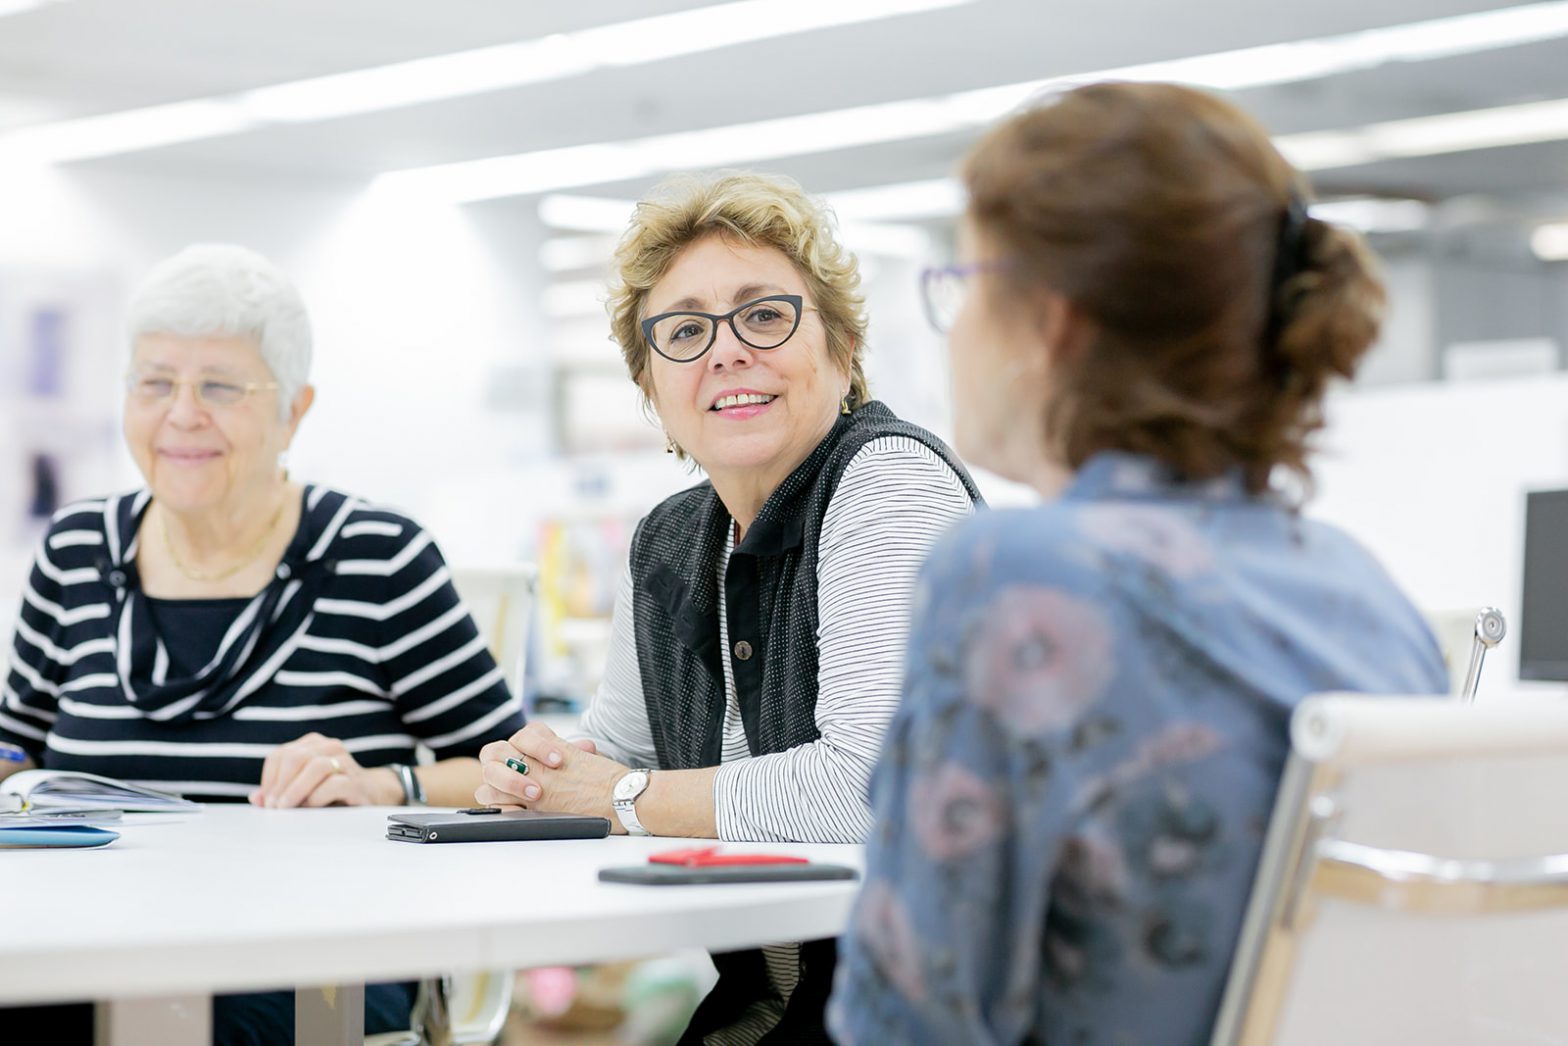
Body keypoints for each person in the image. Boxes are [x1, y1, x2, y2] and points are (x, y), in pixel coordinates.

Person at [829, 82, 1449, 1045]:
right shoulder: (1363, 592)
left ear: (1053, 326)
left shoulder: (1014, 580)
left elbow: (904, 1021)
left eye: (964, 285)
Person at [475, 171, 981, 1042]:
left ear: (844, 347)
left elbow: (874, 788)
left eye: (765, 315)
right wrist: (542, 774)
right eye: (683, 331)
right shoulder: (670, 540)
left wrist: (622, 795)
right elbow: (621, 750)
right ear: (651, 384)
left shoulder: (886, 483)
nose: (725, 351)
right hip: (774, 1008)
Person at [0, 243, 522, 1044]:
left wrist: (385, 786)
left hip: (326, 962)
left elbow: (520, 774)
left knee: (173, 1025)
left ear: (295, 409)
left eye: (219, 386)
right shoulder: (77, 550)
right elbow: (14, 758)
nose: (181, 414)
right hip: (89, 942)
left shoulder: (376, 555)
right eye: (154, 383)